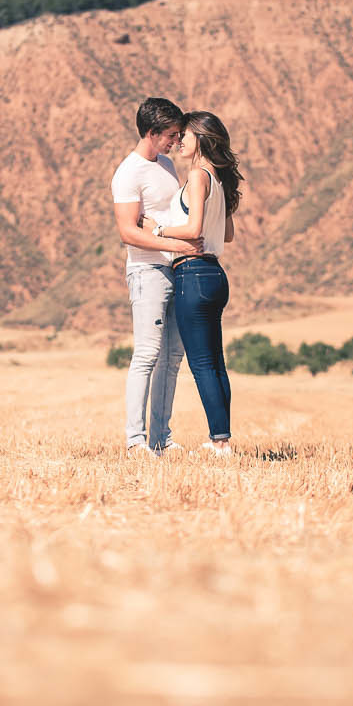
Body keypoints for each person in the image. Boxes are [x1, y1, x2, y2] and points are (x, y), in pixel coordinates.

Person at [111, 97, 200, 456]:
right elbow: (127, 232)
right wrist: (174, 245)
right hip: (147, 271)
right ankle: (135, 441)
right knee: (147, 354)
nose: (176, 142)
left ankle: (161, 439)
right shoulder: (128, 173)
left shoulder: (165, 164)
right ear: (151, 132)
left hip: (175, 268)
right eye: (171, 135)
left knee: (172, 356)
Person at [156, 110, 242, 454]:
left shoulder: (197, 175)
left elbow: (193, 230)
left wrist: (157, 229)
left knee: (203, 364)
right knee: (216, 363)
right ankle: (222, 437)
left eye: (185, 136)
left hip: (192, 274)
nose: (179, 141)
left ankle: (219, 443)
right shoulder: (219, 180)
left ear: (202, 140)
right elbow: (228, 234)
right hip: (215, 275)